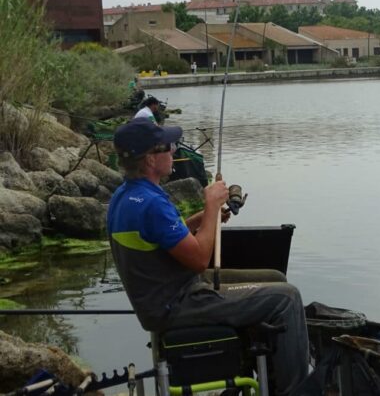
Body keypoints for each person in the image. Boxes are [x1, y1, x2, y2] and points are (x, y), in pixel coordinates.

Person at [106, 118, 309, 395]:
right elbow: (200, 259)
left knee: (275, 278)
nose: (174, 150)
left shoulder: (125, 196)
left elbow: (164, 238)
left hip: (162, 297)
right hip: (178, 303)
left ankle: (259, 370)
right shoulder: (152, 203)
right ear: (150, 160)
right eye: (168, 146)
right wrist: (211, 204)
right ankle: (297, 391)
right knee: (287, 298)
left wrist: (204, 219)